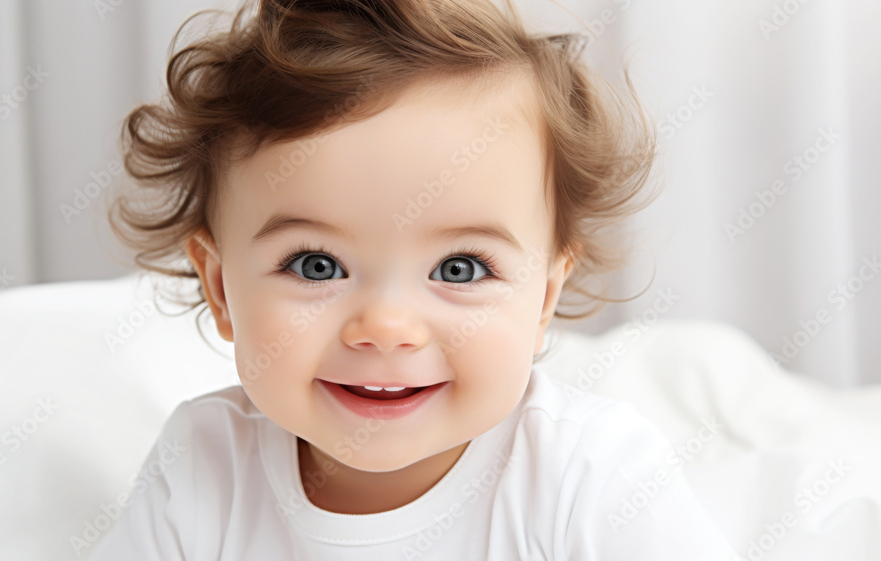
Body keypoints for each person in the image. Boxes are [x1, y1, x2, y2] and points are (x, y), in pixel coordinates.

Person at [89, 0, 738, 558]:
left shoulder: (592, 474)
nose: (386, 326)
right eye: (317, 265)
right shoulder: (206, 466)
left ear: (543, 295)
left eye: (460, 268)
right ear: (223, 287)